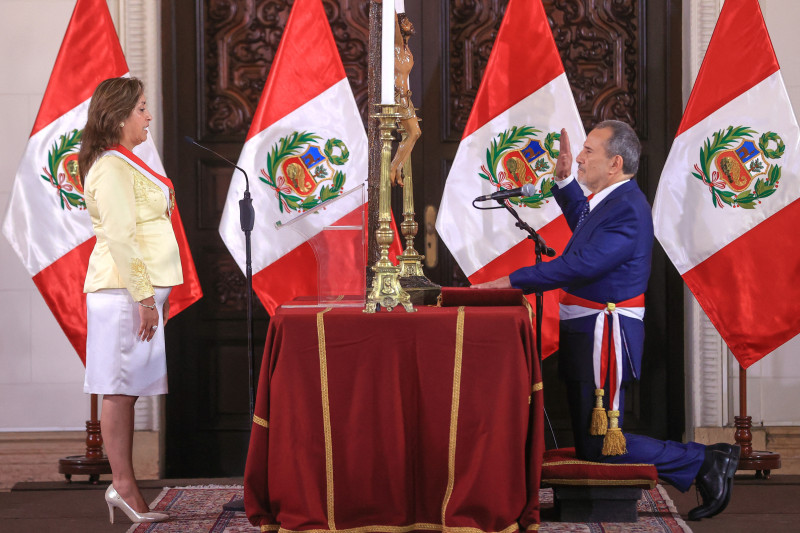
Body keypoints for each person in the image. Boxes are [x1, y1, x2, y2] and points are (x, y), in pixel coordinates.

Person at [472, 120, 739, 521]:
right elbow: (585, 224)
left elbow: (581, 264)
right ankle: (702, 461)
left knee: (602, 442)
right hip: (587, 328)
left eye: (588, 151)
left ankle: (704, 461)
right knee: (589, 441)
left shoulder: (628, 209)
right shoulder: (612, 201)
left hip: (605, 335)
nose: (579, 156)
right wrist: (565, 184)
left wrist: (509, 283)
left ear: (614, 163)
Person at [79, 77, 183, 524]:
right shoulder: (111, 167)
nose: (148, 116)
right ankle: (122, 486)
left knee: (128, 391)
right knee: (119, 391)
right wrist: (144, 298)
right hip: (124, 293)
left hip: (135, 294)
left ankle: (123, 485)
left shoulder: (128, 163)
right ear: (120, 116)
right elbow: (120, 238)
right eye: (141, 108)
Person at [389, 10, 420, 186]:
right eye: (406, 22)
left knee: (415, 133)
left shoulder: (406, 50)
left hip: (406, 98)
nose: (410, 24)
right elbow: (393, 18)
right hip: (397, 96)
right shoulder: (396, 45)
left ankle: (397, 167)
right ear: (399, 28)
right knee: (413, 132)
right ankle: (393, 168)